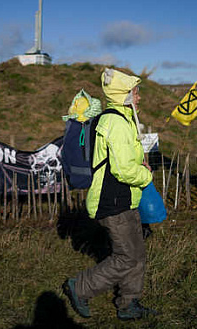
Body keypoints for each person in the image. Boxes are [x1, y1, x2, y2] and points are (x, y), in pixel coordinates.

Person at [63, 68, 157, 321]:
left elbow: (125, 160)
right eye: (136, 93)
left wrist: (140, 166)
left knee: (136, 254)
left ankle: (128, 303)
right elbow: (124, 169)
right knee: (126, 257)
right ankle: (80, 287)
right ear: (124, 95)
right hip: (112, 201)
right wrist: (146, 176)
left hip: (125, 198)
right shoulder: (115, 122)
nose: (139, 98)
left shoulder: (122, 117)